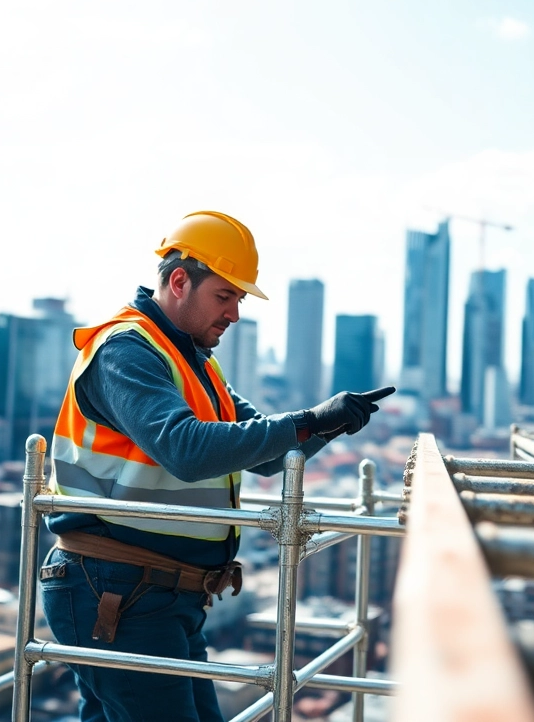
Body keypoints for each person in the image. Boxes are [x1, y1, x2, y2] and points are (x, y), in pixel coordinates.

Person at [39, 210, 394, 722]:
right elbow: (185, 449)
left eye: (239, 300)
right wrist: (307, 419)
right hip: (115, 589)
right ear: (179, 281)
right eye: (224, 297)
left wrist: (328, 424)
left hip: (159, 596)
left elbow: (271, 455)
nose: (234, 314)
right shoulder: (126, 351)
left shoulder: (195, 363)